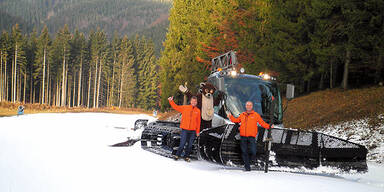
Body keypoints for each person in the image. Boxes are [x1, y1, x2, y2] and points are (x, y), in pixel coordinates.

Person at [227, 101, 274, 171]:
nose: (248, 106)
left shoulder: (256, 115)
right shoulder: (242, 115)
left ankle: (248, 162)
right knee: (244, 152)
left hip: (251, 137)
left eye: (250, 105)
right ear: (245, 106)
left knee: (253, 151)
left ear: (252, 107)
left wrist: (269, 126)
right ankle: (247, 166)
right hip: (243, 137)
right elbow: (236, 120)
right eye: (247, 105)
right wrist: (230, 116)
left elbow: (262, 123)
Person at [168, 96, 201, 162]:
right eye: (192, 101)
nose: (194, 102)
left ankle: (186, 156)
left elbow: (198, 122)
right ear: (190, 101)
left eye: (195, 101)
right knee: (182, 144)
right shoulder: (185, 108)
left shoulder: (198, 111)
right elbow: (176, 107)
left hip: (193, 131)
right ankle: (177, 155)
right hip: (185, 130)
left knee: (190, 145)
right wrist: (171, 101)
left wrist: (197, 131)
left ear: (196, 102)